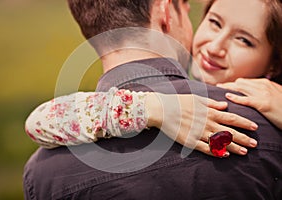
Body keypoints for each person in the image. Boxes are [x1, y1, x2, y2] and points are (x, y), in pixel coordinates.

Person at [23, 0, 282, 199]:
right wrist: (155, 109)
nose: (214, 46)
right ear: (166, 12)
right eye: (214, 22)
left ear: (274, 63)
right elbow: (40, 120)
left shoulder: (43, 172)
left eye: (244, 40)